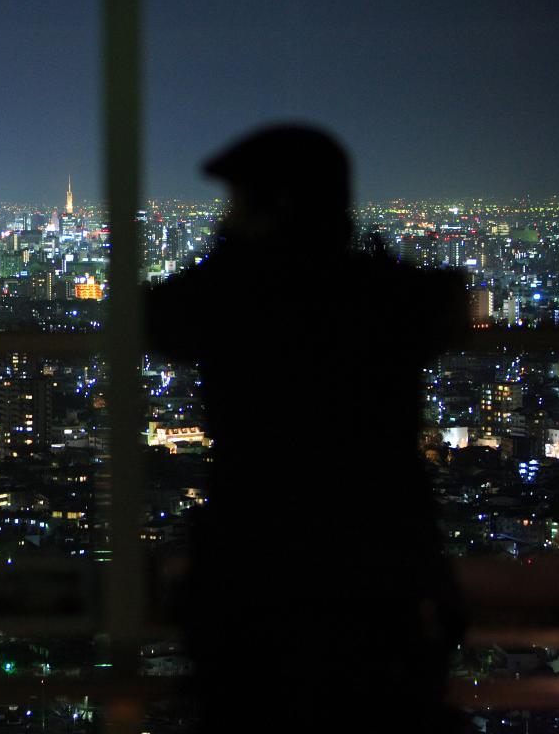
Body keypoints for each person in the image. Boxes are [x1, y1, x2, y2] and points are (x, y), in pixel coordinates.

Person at [146, 125, 468, 733]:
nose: (229, 214)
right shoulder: (385, 296)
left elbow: (160, 316)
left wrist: (235, 249)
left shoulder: (236, 296)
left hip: (258, 559)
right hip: (381, 558)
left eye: (240, 202)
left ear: (273, 207)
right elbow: (444, 301)